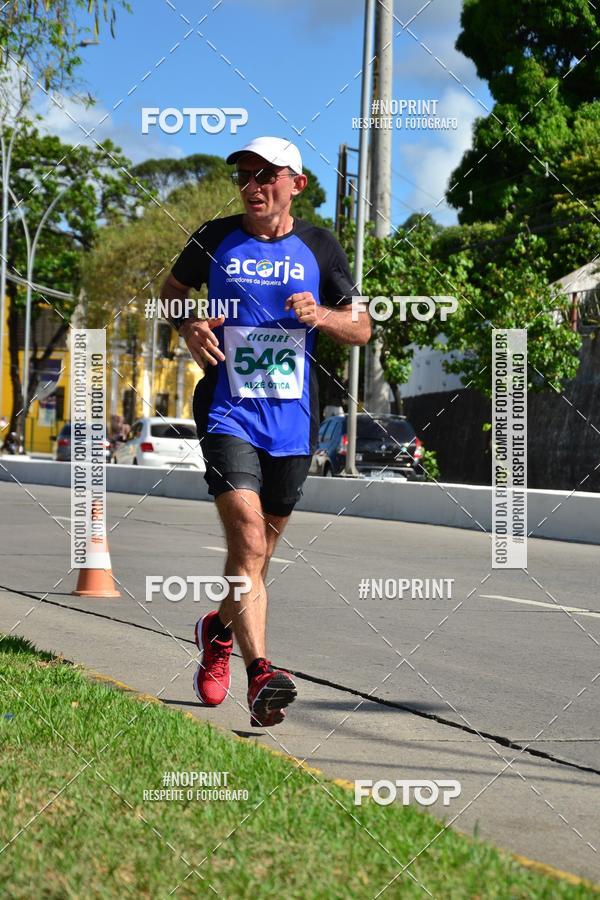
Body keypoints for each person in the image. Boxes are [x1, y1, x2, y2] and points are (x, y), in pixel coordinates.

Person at [161, 136, 371, 727]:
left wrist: (323, 316)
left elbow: (362, 328)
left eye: (265, 175)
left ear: (295, 184)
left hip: (292, 423)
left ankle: (216, 631)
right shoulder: (214, 236)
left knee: (257, 557)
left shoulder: (320, 247)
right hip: (228, 408)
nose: (252, 186)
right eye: (245, 176)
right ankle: (261, 676)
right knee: (249, 543)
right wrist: (189, 329)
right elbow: (170, 297)